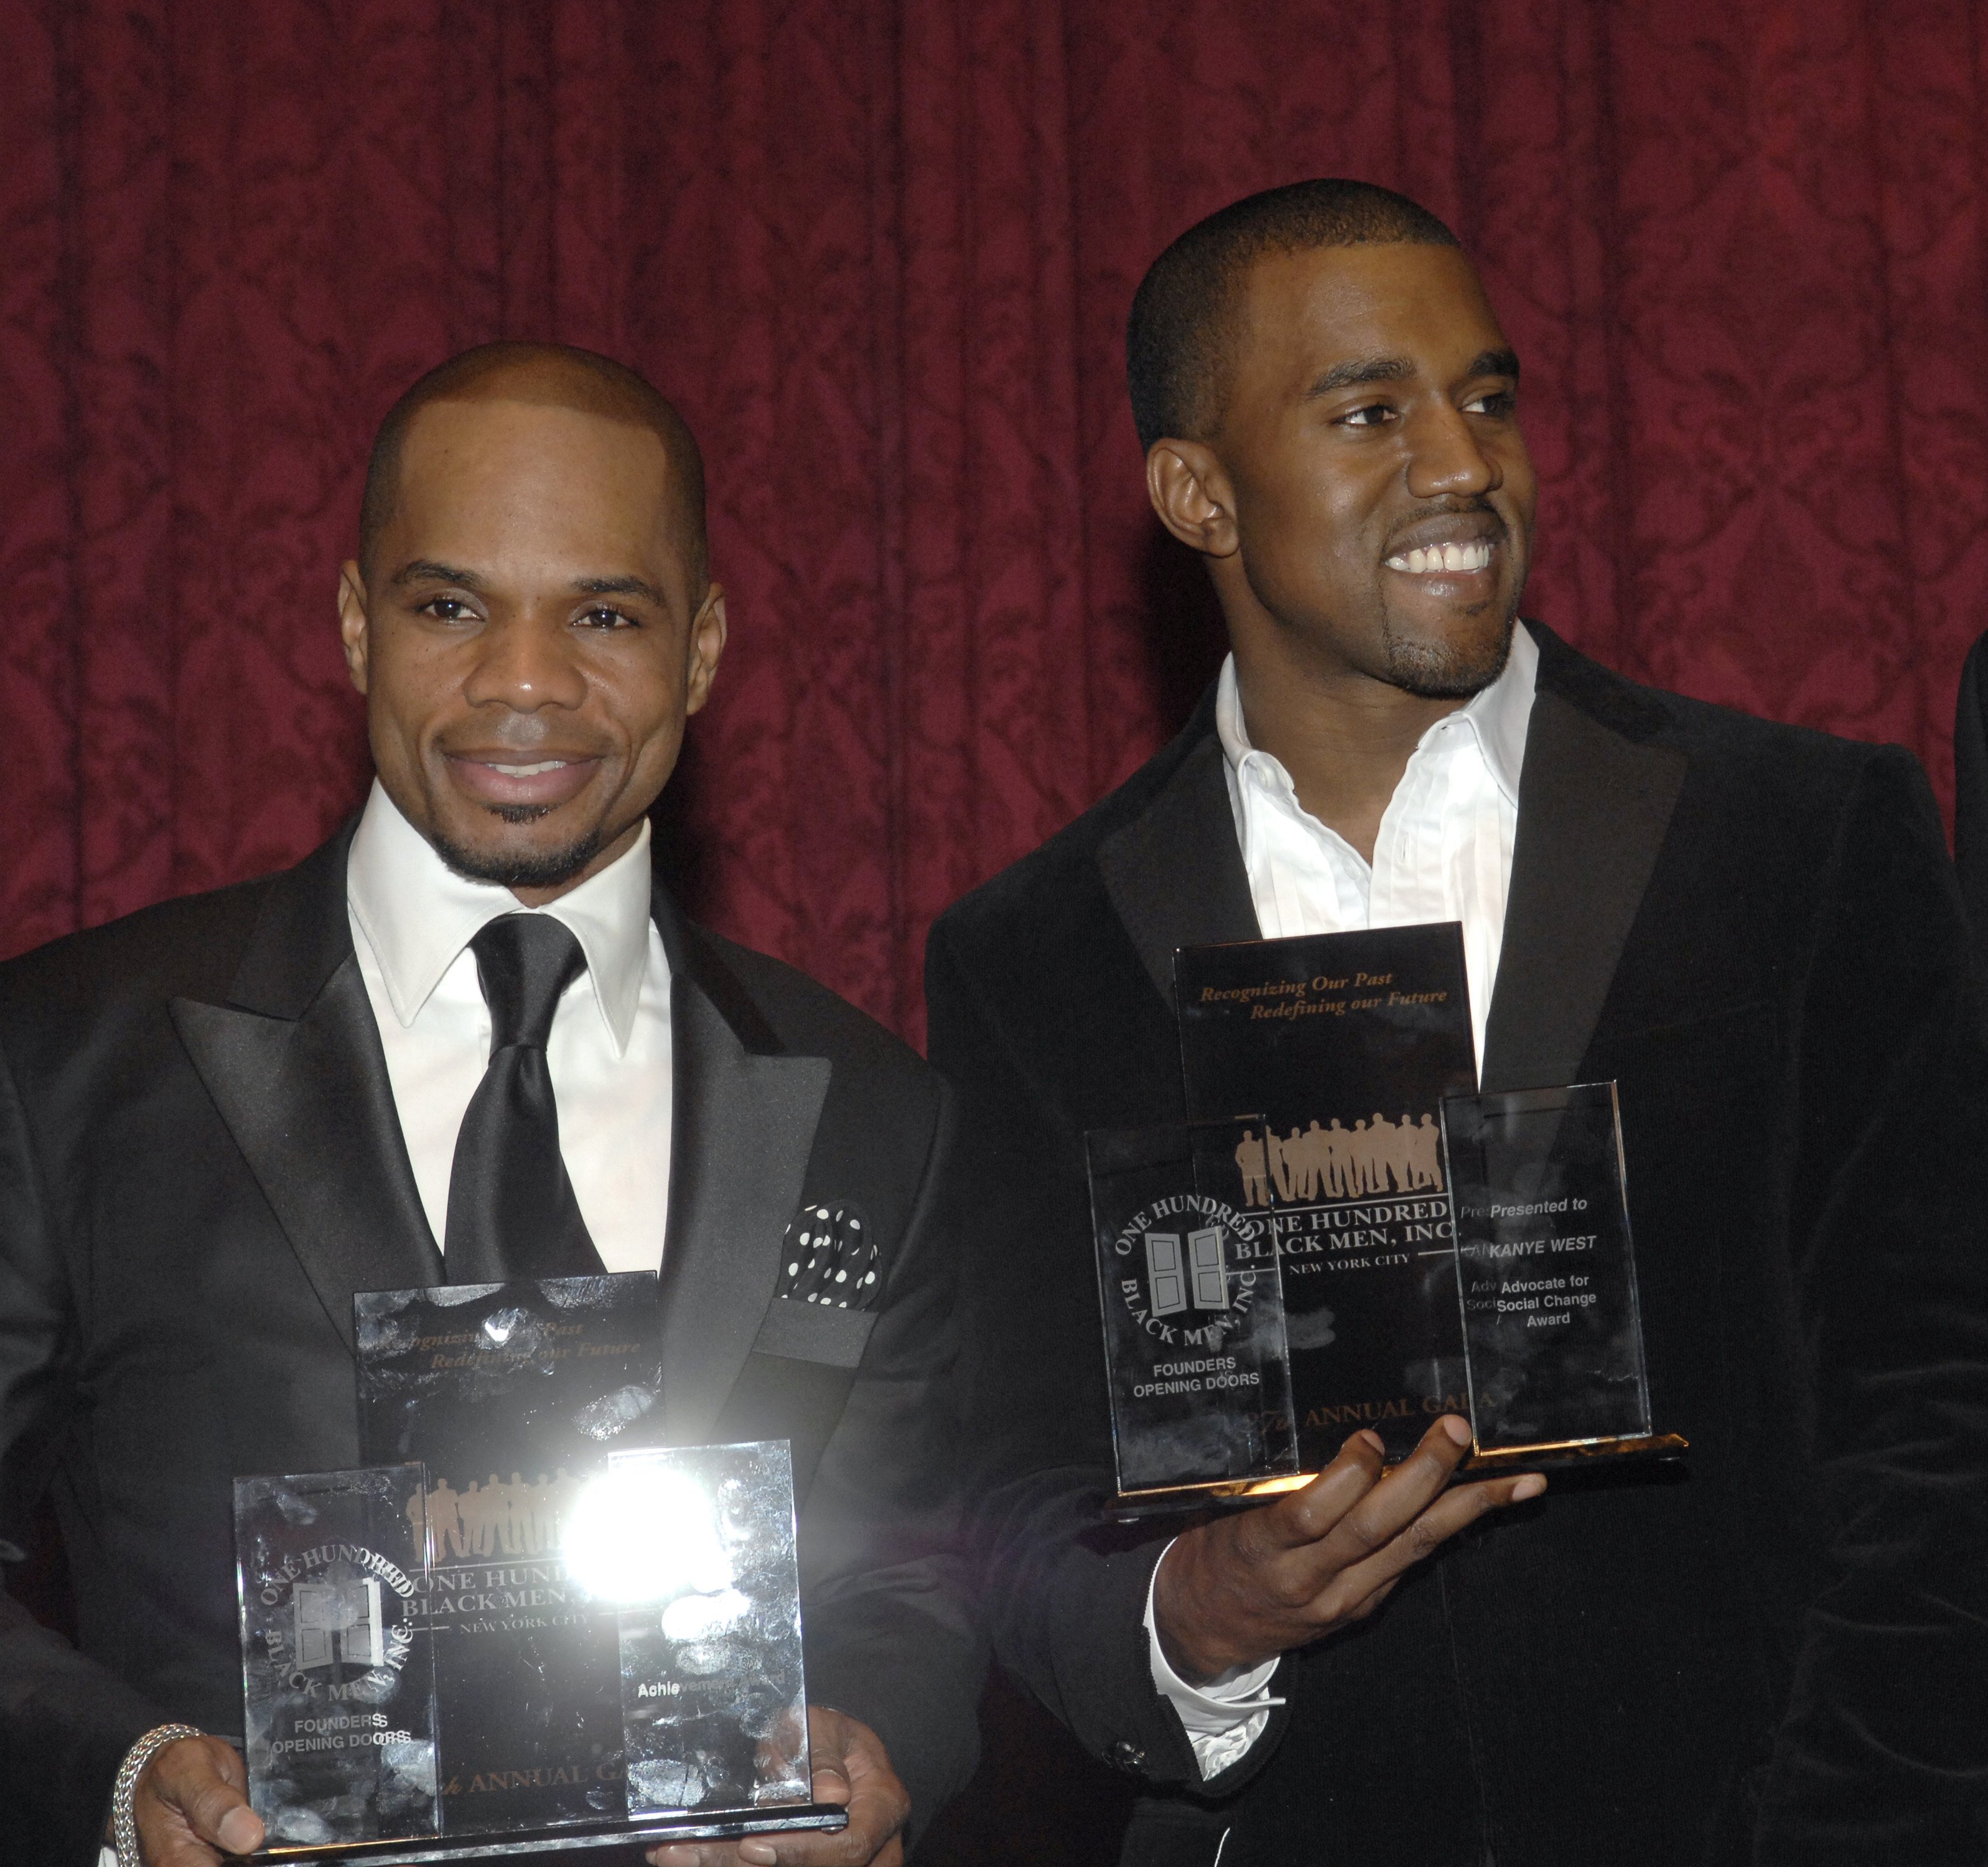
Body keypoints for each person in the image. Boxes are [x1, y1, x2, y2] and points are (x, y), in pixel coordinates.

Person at [925, 180, 1988, 1864]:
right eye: (1369, 412)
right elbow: (1011, 1489)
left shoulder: (1800, 836)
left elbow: (1938, 1407)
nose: (1460, 464)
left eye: (1484, 397)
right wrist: (1185, 1620)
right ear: (1196, 492)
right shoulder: (1031, 954)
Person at [0, 343, 979, 1867]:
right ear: (353, 626)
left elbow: (910, 1585)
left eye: (603, 614)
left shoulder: (873, 1112)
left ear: (704, 650)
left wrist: (867, 1737)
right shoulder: (62, 1056)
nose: (524, 681)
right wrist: (121, 1783)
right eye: (449, 606)